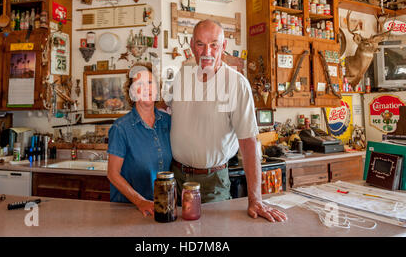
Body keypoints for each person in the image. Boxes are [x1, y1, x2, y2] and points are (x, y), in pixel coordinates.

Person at [167, 19, 287, 223]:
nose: (207, 52)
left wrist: (255, 199)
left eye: (214, 44)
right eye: (200, 44)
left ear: (224, 47)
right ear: (191, 47)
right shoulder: (182, 75)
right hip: (175, 179)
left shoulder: (237, 84)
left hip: (211, 183)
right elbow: (168, 109)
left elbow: (249, 144)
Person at [107, 62, 172, 217]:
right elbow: (112, 174)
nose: (146, 88)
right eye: (139, 84)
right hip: (128, 210)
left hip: (162, 207)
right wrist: (140, 201)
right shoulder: (120, 128)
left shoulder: (168, 122)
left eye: (150, 82)